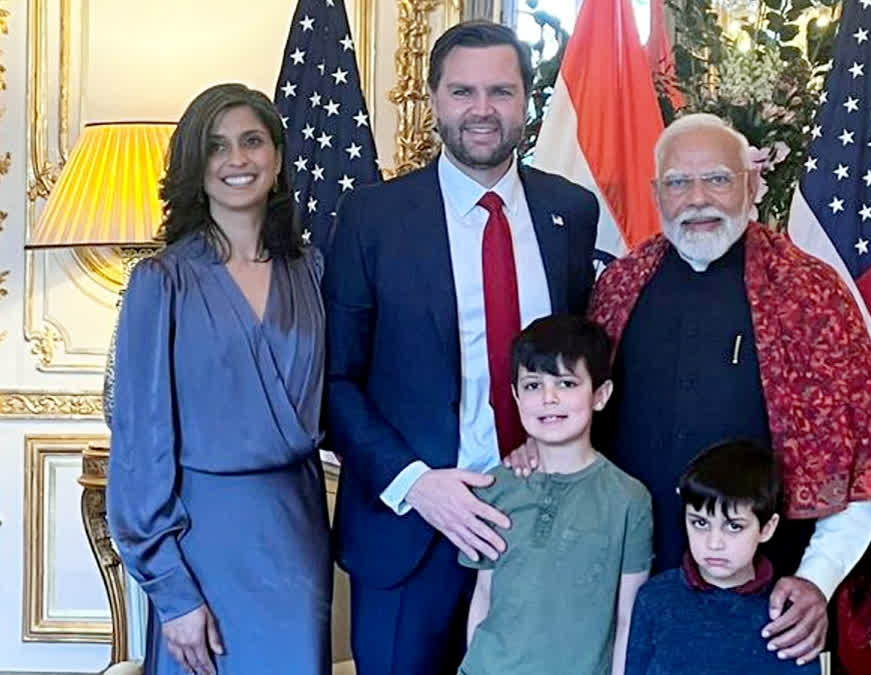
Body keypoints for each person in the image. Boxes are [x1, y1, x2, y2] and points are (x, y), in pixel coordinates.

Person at [584, 113, 871, 666]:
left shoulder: (810, 294)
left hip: (771, 603)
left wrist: (817, 581)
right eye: (677, 182)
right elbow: (571, 419)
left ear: (752, 184)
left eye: (716, 178)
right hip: (636, 587)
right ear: (655, 192)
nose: (696, 198)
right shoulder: (617, 288)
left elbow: (862, 460)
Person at [322, 20, 600, 674]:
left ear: (528, 102)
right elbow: (335, 379)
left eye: (501, 92)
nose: (482, 110)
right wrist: (416, 484)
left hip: (543, 526)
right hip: (410, 530)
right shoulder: (371, 217)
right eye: (463, 92)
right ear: (435, 100)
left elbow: (583, 364)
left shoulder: (571, 211)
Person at [107, 83, 330, 675]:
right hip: (203, 539)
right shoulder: (161, 281)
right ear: (193, 165)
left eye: (252, 141)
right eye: (217, 146)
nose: (237, 160)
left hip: (297, 533)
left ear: (278, 158)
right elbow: (138, 447)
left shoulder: (310, 270)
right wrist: (172, 593)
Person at [458, 315, 652, 675]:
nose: (548, 398)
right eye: (532, 385)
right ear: (515, 395)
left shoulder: (629, 499)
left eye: (566, 383)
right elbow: (484, 594)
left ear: (600, 395)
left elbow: (626, 618)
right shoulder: (494, 486)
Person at [626, 440, 821, 674]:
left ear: (767, 528)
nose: (714, 543)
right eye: (700, 523)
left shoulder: (789, 615)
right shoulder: (655, 598)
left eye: (734, 527)